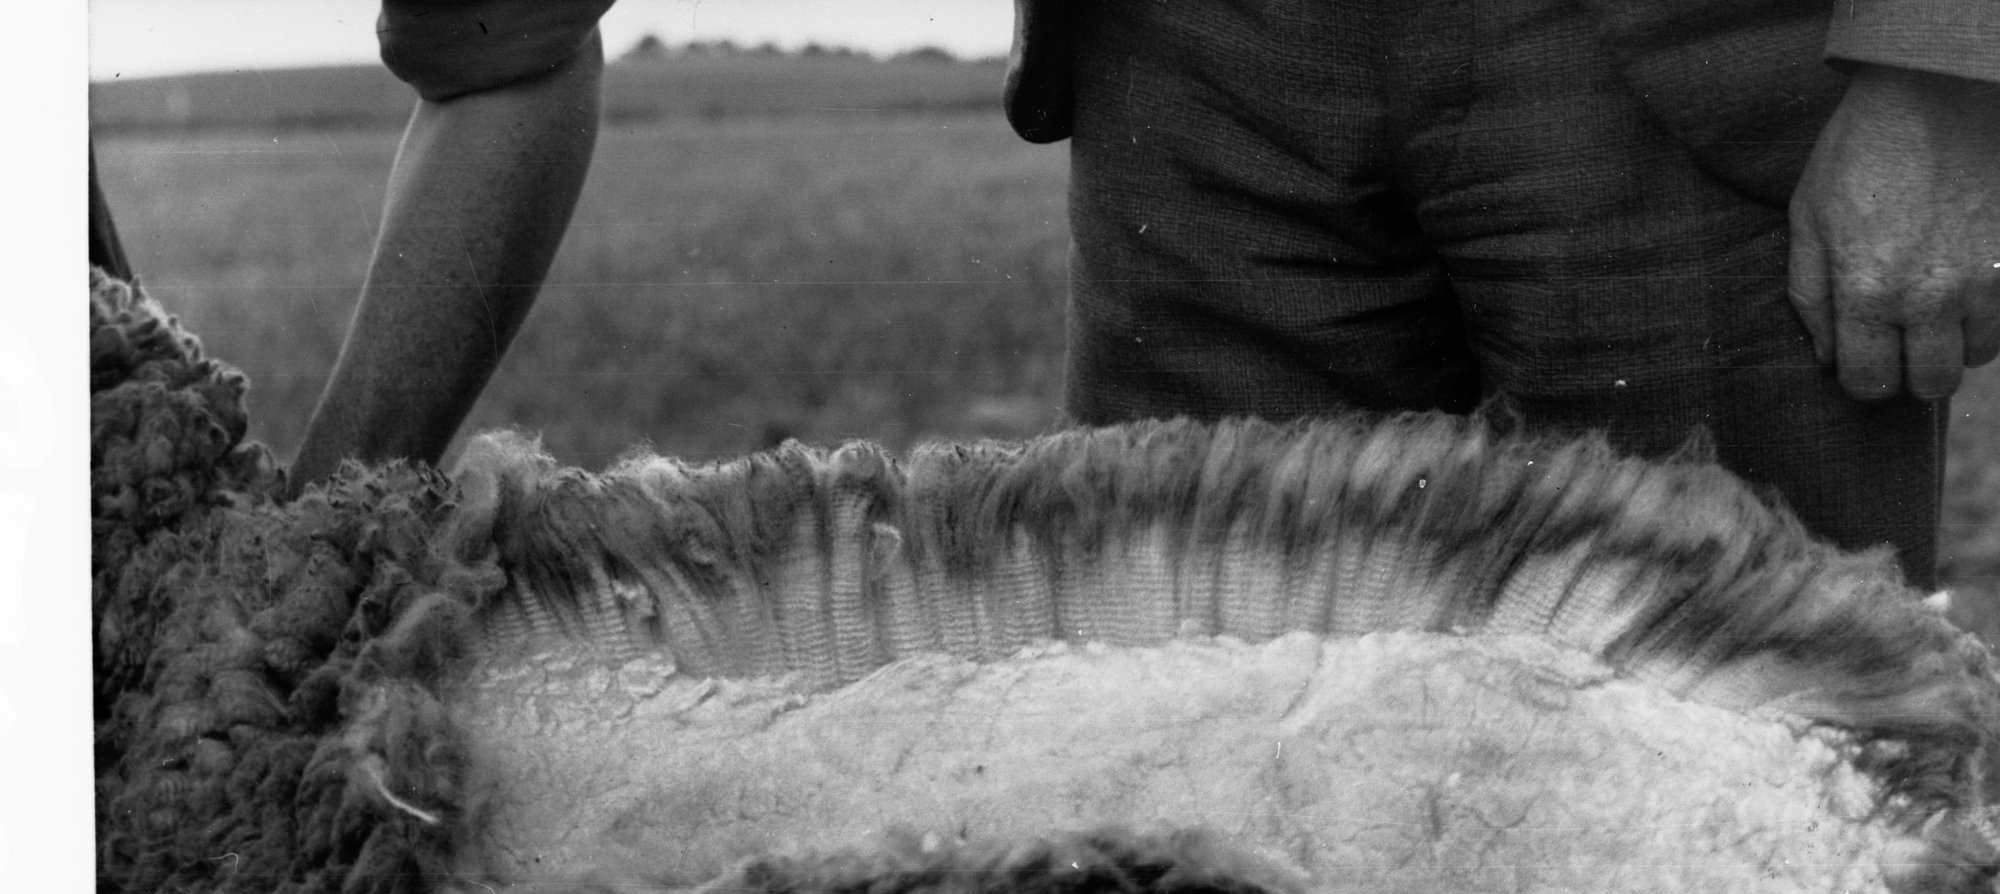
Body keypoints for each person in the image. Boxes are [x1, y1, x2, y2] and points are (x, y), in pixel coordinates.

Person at [278, 0, 1999, 589]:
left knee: (1756, 807)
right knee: (1210, 852)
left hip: (1671, 60)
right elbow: (492, 54)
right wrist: (291, 554)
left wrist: (1953, 60)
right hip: (1196, 84)